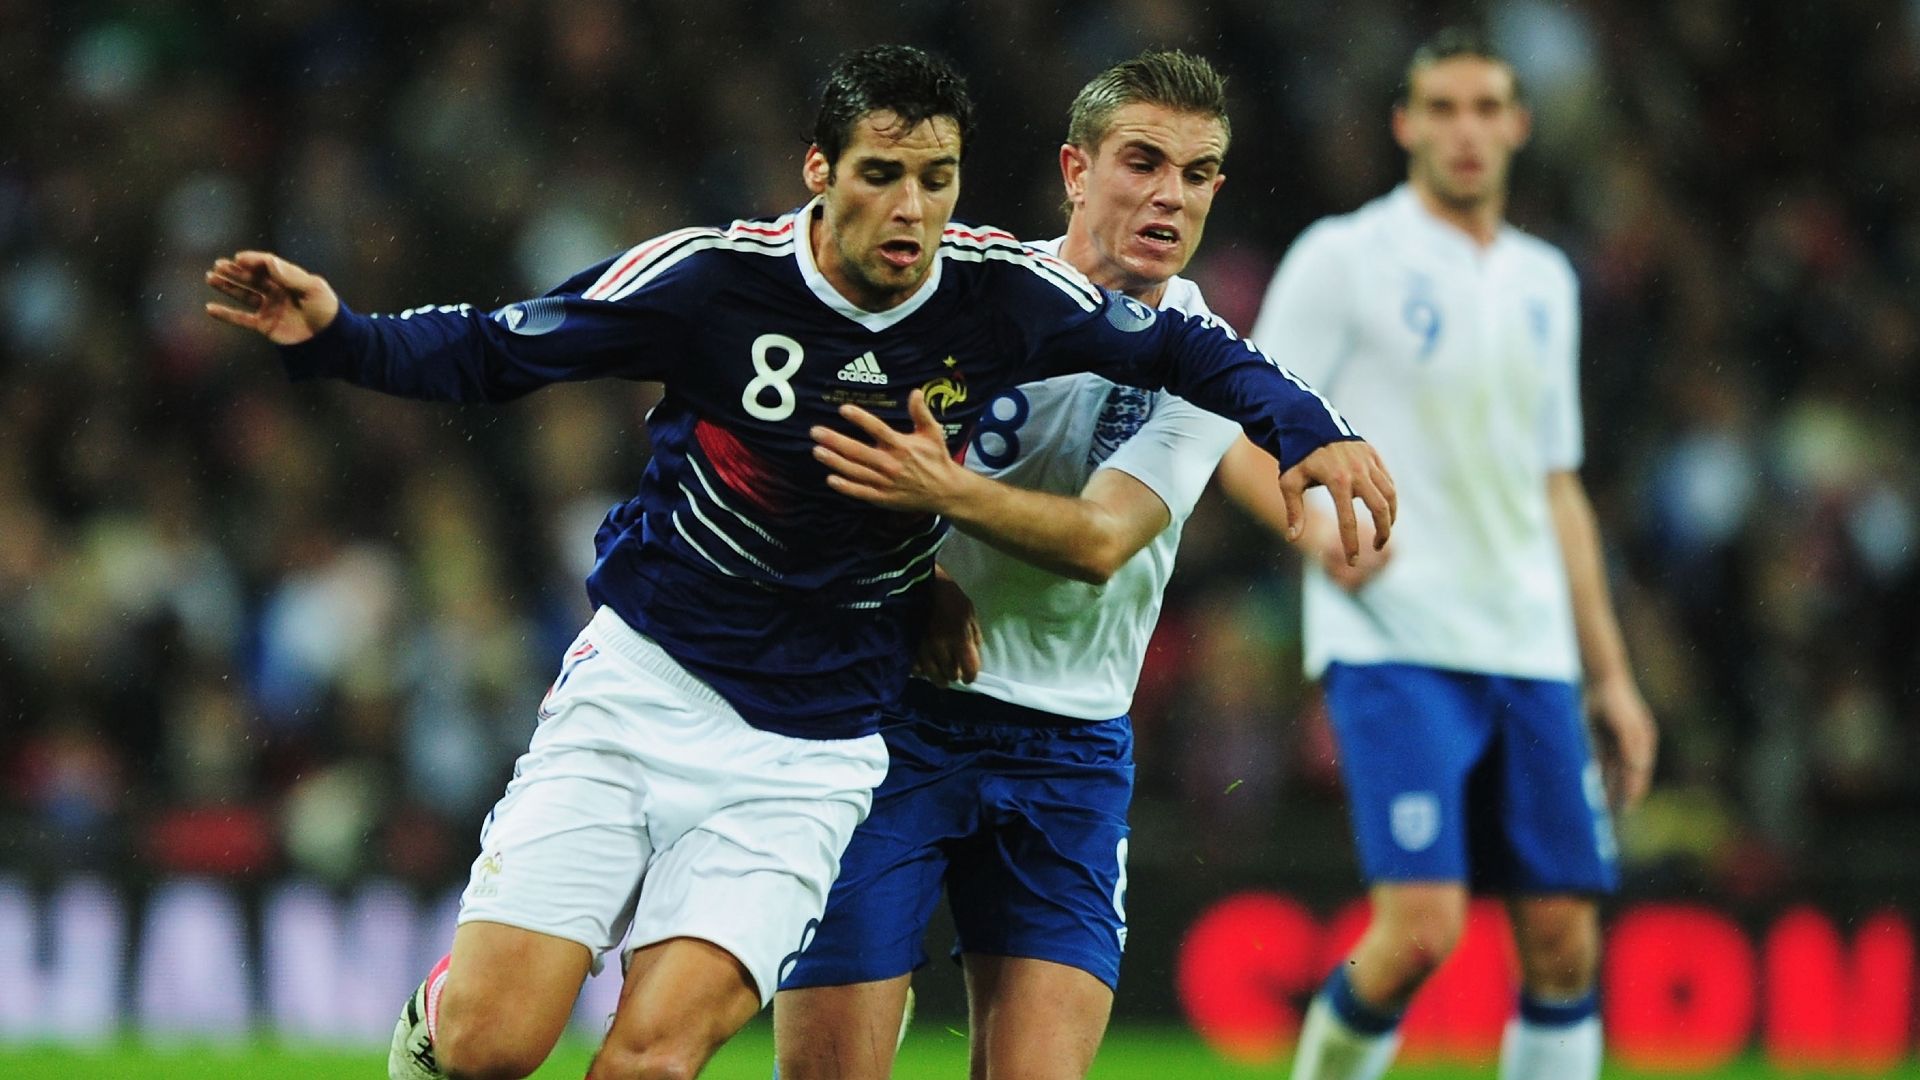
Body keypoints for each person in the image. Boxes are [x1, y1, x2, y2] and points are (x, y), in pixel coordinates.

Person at [203, 45, 1394, 1080]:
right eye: (882, 175)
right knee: (493, 1044)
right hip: (653, 679)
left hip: (820, 744)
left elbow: (1195, 368)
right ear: (819, 172)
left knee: (656, 1056)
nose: (911, 210)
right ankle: (438, 1022)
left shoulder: (1000, 298)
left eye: (936, 181)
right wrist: (340, 337)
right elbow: (507, 348)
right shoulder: (713, 279)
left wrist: (1313, 430)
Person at [773, 50, 1261, 1080]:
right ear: (1075, 171)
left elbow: (1098, 541)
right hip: (891, 715)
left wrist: (941, 494)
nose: (1170, 193)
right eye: (1142, 161)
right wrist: (919, 578)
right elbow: (821, 463)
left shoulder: (1208, 358)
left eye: (1200, 171)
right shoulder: (960, 295)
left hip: (1071, 748)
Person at [1216, 27, 1658, 1080]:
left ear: (1518, 124)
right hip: (1397, 636)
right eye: (1443, 108)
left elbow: (1557, 487)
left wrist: (1612, 676)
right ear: (1405, 123)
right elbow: (1236, 433)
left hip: (1532, 645)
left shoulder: (1547, 281)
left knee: (1563, 939)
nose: (1466, 130)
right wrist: (1317, 530)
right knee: (1422, 931)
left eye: (1485, 107)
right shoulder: (1346, 256)